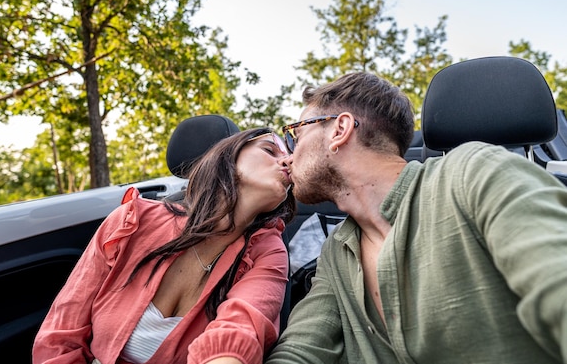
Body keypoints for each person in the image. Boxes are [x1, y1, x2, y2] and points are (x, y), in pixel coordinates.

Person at [266, 72, 567, 363]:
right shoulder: (336, 250)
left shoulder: (473, 174)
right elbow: (302, 349)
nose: (288, 156)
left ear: (339, 129)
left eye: (296, 133)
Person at [33, 127, 296, 364]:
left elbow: (240, 331)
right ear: (226, 155)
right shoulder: (132, 220)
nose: (287, 161)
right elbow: (60, 335)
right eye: (269, 150)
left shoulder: (268, 251)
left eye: (289, 157)